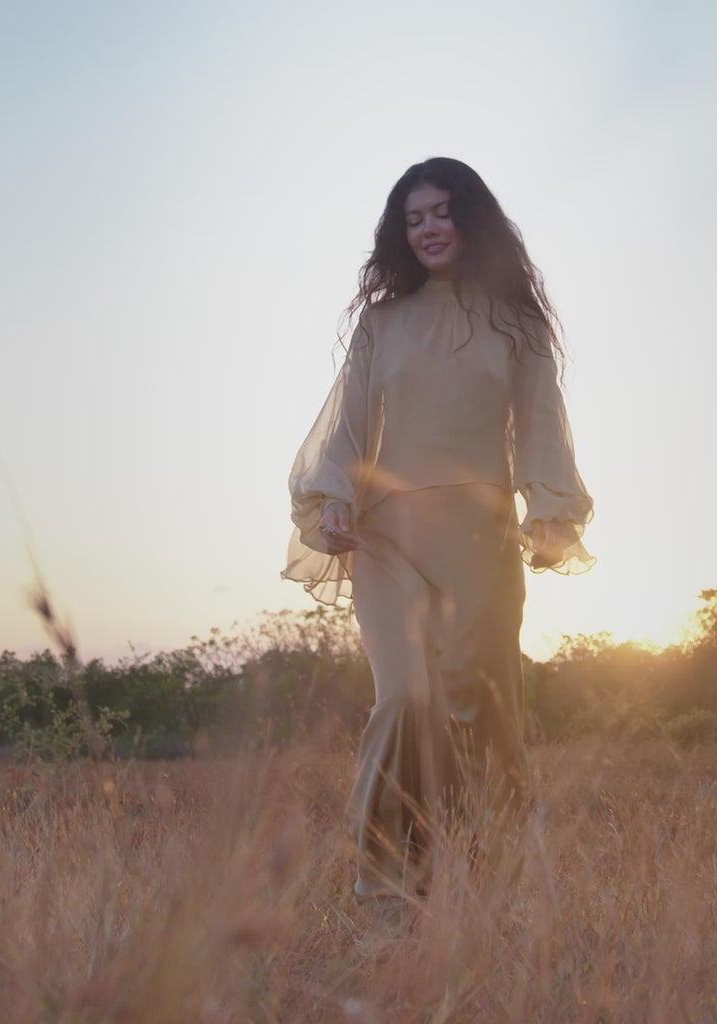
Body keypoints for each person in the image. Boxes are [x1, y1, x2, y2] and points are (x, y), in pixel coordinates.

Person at [283, 157, 593, 910]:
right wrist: (333, 499)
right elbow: (350, 423)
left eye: (441, 212)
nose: (427, 229)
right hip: (387, 539)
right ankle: (386, 891)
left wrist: (550, 514)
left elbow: (542, 426)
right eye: (413, 218)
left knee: (481, 719)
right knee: (406, 698)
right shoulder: (380, 323)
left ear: (471, 219)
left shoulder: (517, 324)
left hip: (482, 544)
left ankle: (480, 885)